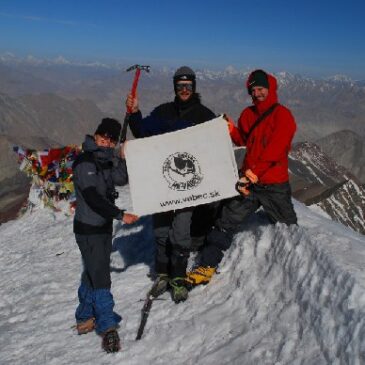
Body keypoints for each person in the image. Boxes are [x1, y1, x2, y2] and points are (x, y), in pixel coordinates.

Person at [186, 69, 298, 286]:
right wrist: (230, 129)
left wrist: (254, 172)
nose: (257, 94)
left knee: (289, 228)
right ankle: (207, 266)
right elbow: (244, 139)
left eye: (261, 89)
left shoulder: (283, 116)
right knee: (226, 221)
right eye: (253, 90)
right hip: (249, 183)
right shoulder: (248, 114)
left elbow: (276, 149)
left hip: (274, 184)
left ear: (271, 88)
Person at [126, 66, 216, 303]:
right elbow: (142, 132)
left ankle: (178, 278)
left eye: (188, 86)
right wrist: (134, 113)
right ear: (175, 87)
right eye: (180, 86)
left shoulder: (204, 116)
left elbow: (214, 145)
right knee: (161, 231)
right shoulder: (163, 112)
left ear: (194, 87)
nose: (184, 90)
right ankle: (163, 274)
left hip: (189, 186)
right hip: (162, 183)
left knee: (181, 231)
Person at [72, 118, 138, 353]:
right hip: (89, 229)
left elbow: (120, 179)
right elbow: (92, 198)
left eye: (111, 139)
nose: (107, 141)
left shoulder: (106, 157)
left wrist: (122, 156)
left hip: (101, 227)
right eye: (104, 137)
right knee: (101, 278)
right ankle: (108, 325)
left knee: (93, 271)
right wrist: (121, 215)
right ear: (96, 134)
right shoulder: (85, 162)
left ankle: (84, 317)